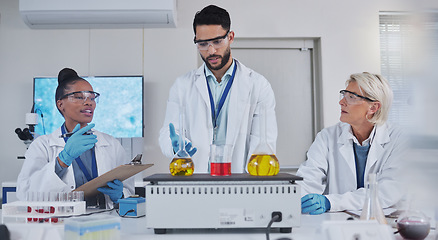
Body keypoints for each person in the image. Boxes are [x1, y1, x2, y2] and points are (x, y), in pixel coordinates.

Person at [159, 5, 277, 173]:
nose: (211, 51)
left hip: (240, 188)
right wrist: (174, 144)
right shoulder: (182, 85)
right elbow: (168, 132)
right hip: (195, 187)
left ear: (230, 37)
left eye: (217, 41)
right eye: (203, 44)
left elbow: (262, 143)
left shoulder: (258, 86)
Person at [16, 68, 134, 208]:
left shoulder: (111, 144)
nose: (89, 102)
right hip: (63, 223)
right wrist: (61, 161)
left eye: (92, 97)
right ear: (60, 104)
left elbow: (130, 194)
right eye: (79, 97)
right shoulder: (43, 145)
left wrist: (120, 195)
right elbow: (25, 193)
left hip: (105, 221)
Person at [297, 72, 405, 214]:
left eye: (351, 97)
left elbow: (388, 191)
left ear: (373, 107)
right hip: (339, 221)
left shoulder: (400, 139)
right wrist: (295, 200)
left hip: (384, 222)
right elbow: (308, 179)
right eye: (344, 95)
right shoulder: (327, 137)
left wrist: (331, 202)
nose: (342, 102)